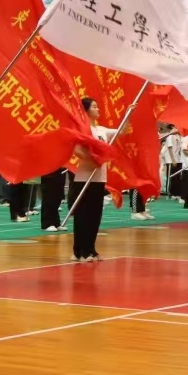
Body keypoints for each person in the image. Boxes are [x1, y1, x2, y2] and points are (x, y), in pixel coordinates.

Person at [69, 98, 117, 263]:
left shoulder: (102, 130)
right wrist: (93, 160)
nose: (98, 109)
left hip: (99, 179)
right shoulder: (82, 129)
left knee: (95, 217)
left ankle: (91, 249)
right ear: (86, 110)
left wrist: (130, 112)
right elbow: (77, 151)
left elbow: (122, 130)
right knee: (82, 216)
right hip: (84, 179)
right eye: (94, 106)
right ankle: (79, 252)